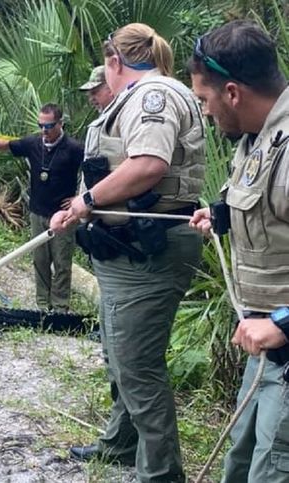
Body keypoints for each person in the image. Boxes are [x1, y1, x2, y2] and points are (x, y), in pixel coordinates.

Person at [50, 23, 206, 482]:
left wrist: (85, 202)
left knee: (137, 364)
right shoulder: (133, 97)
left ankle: (160, 474)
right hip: (124, 250)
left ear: (115, 62)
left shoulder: (152, 96)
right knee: (117, 351)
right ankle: (122, 443)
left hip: (149, 251)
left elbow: (148, 165)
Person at [187, 20, 289, 483]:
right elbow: (259, 200)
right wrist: (221, 214)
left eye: (205, 101)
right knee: (243, 460)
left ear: (231, 92)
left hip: (281, 341)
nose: (206, 113)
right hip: (262, 343)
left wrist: (283, 325)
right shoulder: (257, 135)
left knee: (272, 470)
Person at [0, 104, 84, 312]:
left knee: (62, 262)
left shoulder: (74, 148)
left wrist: (80, 197)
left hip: (63, 215)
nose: (44, 130)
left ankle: (60, 307)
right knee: (40, 259)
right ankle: (42, 305)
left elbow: (93, 170)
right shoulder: (33, 143)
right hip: (38, 212)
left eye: (49, 126)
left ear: (60, 123)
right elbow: (9, 146)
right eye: (41, 125)